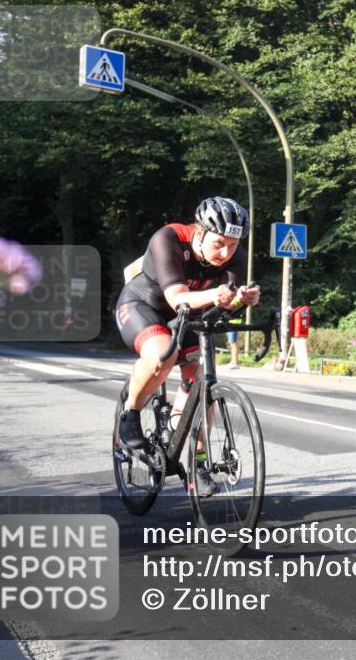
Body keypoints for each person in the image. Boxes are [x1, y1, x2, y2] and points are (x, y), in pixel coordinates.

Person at [114, 196, 260, 495]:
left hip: (191, 313)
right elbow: (177, 298)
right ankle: (130, 413)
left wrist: (242, 300)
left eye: (233, 245)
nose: (226, 252)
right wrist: (217, 295)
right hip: (144, 306)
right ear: (199, 231)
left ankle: (198, 462)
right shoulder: (167, 239)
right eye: (219, 243)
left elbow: (225, 304)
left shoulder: (235, 254)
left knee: (202, 380)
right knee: (162, 355)